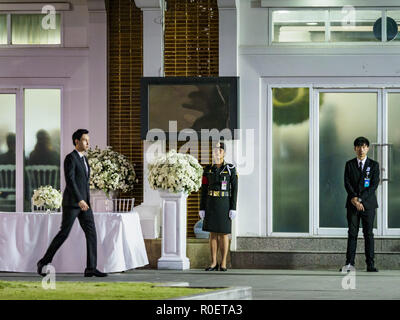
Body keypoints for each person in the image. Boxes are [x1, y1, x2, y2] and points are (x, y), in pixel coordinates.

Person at [37, 129, 107, 277]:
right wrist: (79, 199)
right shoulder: (70, 158)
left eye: (88, 140)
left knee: (91, 233)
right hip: (72, 203)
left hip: (85, 204)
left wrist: (85, 200)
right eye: (84, 140)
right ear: (76, 141)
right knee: (64, 233)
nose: (88, 143)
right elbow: (71, 181)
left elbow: (84, 181)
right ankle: (43, 261)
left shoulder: (84, 159)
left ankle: (91, 268)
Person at [199, 141, 238, 271]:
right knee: (213, 234)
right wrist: (202, 207)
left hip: (224, 203)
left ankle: (223, 263)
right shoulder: (207, 170)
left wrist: (233, 207)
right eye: (215, 150)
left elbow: (235, 189)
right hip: (211, 203)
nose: (217, 152)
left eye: (220, 150)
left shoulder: (230, 169)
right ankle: (213, 262)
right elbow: (203, 189)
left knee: (223, 234)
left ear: (224, 153)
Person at [342, 136, 379, 272]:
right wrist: (354, 198)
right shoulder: (349, 164)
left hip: (368, 205)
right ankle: (349, 264)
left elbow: (373, 185)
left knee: (368, 234)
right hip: (352, 205)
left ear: (368, 148)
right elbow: (347, 183)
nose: (361, 149)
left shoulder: (374, 165)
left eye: (364, 147)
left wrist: (361, 200)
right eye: (358, 147)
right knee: (352, 233)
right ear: (354, 149)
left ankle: (370, 264)